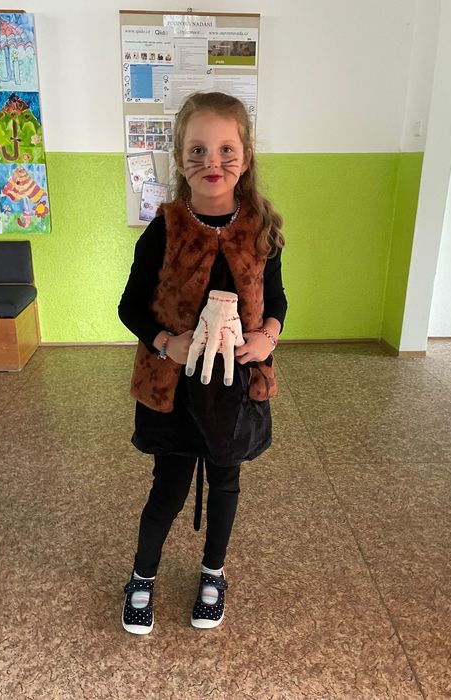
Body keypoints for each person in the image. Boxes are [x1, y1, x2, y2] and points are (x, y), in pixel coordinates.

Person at [118, 91, 287, 635]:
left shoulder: (261, 228)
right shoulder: (165, 228)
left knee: (225, 481)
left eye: (226, 150)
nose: (212, 162)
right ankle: (142, 576)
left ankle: (214, 572)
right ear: (180, 158)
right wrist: (166, 342)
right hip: (173, 387)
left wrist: (268, 337)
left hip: (234, 387)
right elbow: (129, 306)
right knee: (167, 488)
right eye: (197, 151)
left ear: (246, 156)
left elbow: (277, 301)